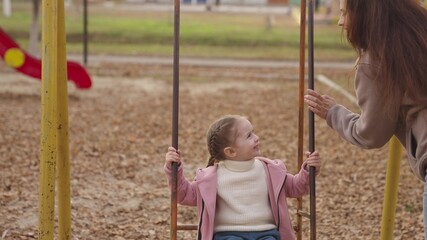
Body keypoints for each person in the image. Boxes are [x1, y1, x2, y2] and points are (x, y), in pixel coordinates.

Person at [304, 0, 427, 237]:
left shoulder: (376, 60)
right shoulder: (420, 33)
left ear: (365, 15)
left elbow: (371, 133)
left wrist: (333, 113)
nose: (341, 22)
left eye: (344, 14)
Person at [164, 115, 321, 240]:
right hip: (228, 235)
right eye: (249, 135)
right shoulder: (211, 178)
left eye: (253, 132)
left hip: (266, 233)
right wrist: (174, 169)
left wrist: (308, 170)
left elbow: (296, 187)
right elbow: (184, 194)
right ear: (231, 151)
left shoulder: (269, 171)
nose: (256, 137)